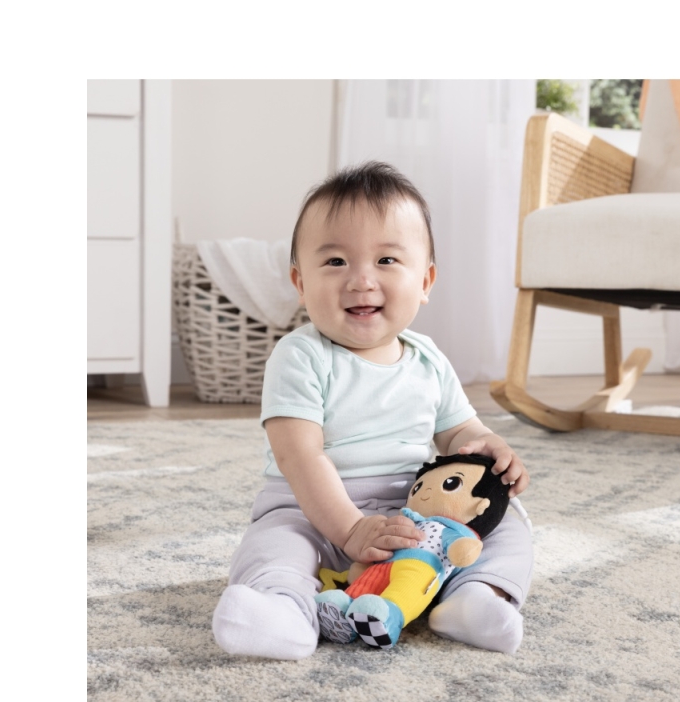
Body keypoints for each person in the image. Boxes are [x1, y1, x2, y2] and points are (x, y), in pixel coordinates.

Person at [211, 161, 533, 660]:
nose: (361, 280)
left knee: (508, 523)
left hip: (415, 517)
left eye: (386, 260)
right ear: (300, 282)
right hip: (311, 511)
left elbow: (458, 433)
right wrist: (348, 529)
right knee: (276, 544)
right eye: (336, 261)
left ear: (425, 281)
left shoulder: (428, 358)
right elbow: (300, 457)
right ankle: (282, 612)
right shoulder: (300, 356)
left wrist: (488, 446)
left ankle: (475, 598)